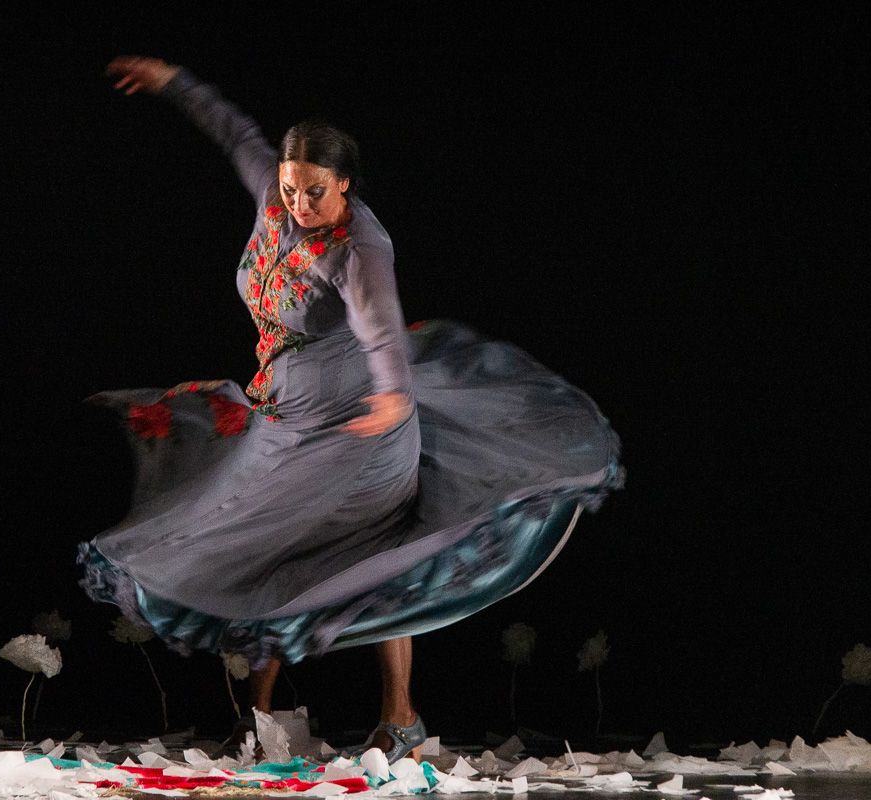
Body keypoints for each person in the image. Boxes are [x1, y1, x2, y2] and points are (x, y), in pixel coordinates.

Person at [78, 56, 623, 763]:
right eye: (290, 188)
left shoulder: (360, 246)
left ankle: (400, 716)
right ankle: (259, 721)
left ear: (343, 184)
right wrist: (174, 82)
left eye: (314, 192)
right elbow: (235, 132)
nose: (299, 204)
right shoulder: (275, 199)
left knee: (374, 557)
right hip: (286, 420)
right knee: (266, 548)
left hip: (361, 428)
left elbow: (379, 324)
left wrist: (393, 393)